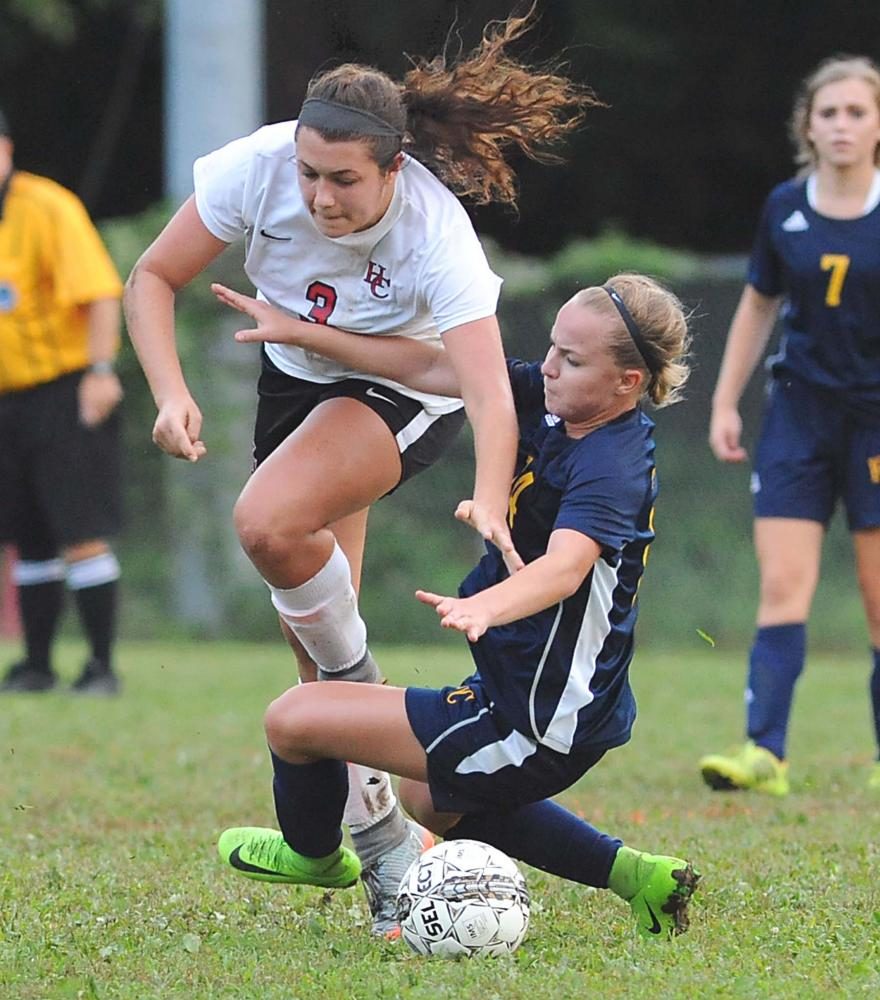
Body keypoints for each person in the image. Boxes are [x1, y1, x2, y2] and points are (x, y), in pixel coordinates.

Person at [123, 10, 600, 936]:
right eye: (308, 173)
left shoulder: (437, 231)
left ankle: (384, 751)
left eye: (343, 180)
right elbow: (151, 277)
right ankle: (393, 860)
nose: (319, 196)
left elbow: (488, 391)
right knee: (317, 694)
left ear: (392, 170)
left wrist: (495, 497)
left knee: (266, 525)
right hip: (292, 380)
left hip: (401, 391)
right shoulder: (256, 167)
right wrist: (170, 392)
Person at [212, 272, 699, 940]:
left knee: (294, 720)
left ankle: (315, 854)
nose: (549, 366)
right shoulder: (559, 405)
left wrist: (488, 607)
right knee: (428, 799)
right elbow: (435, 366)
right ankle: (638, 877)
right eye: (553, 348)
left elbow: (564, 567)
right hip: (534, 695)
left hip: (542, 717)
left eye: (573, 360)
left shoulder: (611, 462)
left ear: (628, 383)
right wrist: (307, 335)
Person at [699, 55, 880, 796]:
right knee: (782, 585)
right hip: (798, 416)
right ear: (808, 125)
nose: (841, 124)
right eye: (828, 112)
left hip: (874, 424)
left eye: (856, 112)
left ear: (877, 126)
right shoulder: (785, 206)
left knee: (876, 598)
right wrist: (722, 400)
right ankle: (763, 753)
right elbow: (757, 306)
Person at [0, 106, 124, 696]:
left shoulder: (47, 207)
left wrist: (100, 372)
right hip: (7, 400)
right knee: (28, 535)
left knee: (81, 528)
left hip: (64, 388)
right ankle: (37, 665)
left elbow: (100, 293)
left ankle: (100, 667)